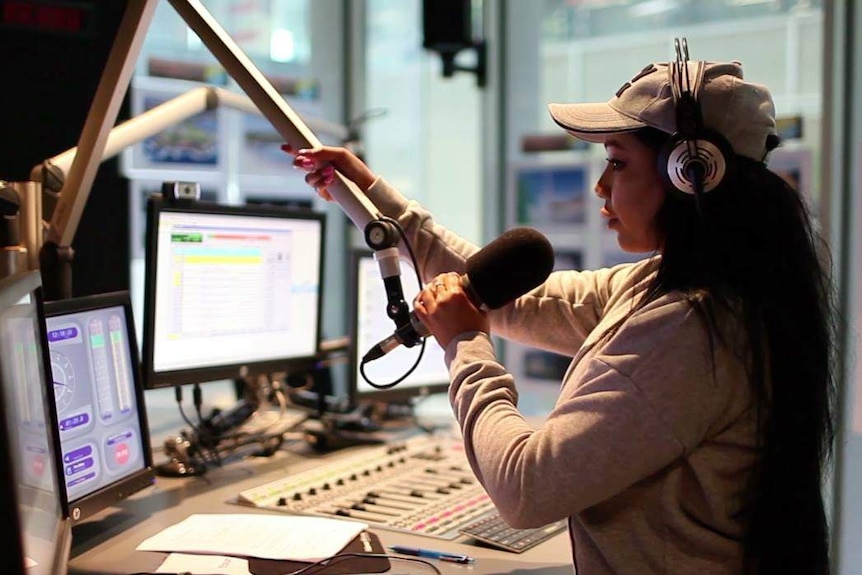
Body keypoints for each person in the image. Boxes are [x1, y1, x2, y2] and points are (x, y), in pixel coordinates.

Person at [285, 57, 836, 575]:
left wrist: (467, 348)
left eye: (617, 163)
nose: (600, 187)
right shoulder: (681, 286)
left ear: (689, 173)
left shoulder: (691, 329)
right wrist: (372, 198)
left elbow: (527, 488)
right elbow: (513, 297)